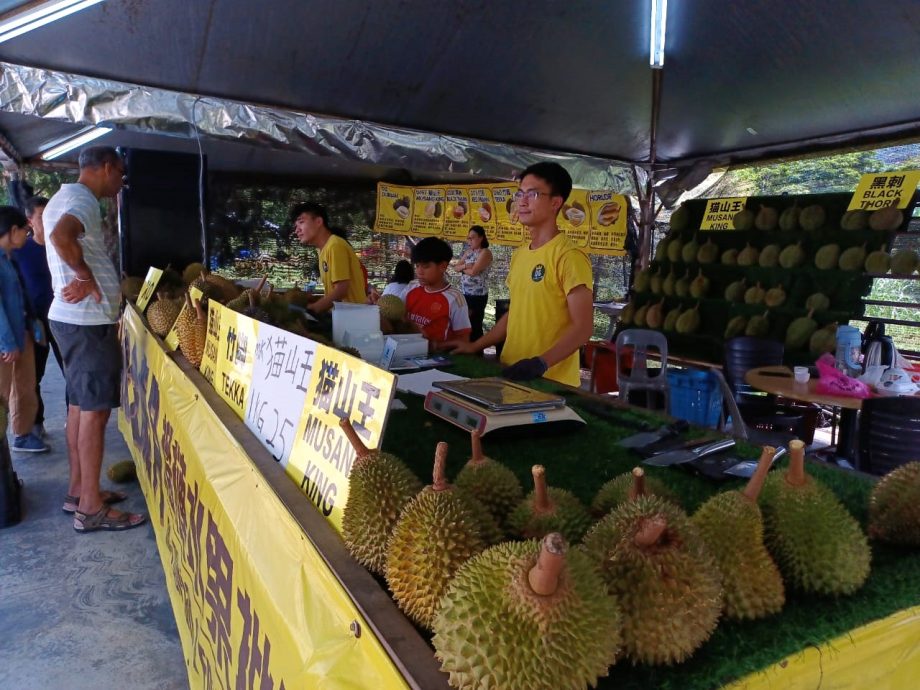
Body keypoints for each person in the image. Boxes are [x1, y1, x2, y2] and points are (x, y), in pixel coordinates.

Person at [45, 146, 145, 531]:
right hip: (86, 323)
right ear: (105, 168)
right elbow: (58, 236)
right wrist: (85, 277)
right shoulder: (81, 199)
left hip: (75, 322)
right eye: (120, 173)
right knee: (95, 412)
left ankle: (79, 491)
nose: (121, 182)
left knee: (79, 408)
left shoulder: (65, 196)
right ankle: (90, 508)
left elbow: (50, 236)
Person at [450, 162, 594, 387]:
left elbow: (583, 328)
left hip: (550, 383)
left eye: (533, 194)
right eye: (520, 194)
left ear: (556, 203)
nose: (522, 201)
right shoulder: (519, 255)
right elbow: (514, 314)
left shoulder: (569, 256)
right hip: (511, 372)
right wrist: (474, 346)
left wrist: (540, 363)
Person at [14, 196, 64, 440]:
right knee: (34, 375)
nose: (49, 220)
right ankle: (36, 424)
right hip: (37, 322)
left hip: (65, 319)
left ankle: (73, 418)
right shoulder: (20, 252)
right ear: (29, 221)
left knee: (72, 372)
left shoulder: (64, 245)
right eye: (42, 216)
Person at [0, 206, 48, 453]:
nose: (27, 236)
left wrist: (33, 327)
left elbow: (21, 297)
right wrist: (7, 342)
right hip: (6, 342)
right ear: (13, 230)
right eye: (25, 231)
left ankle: (23, 433)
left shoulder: (10, 258)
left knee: (25, 386)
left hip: (23, 333)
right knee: (3, 392)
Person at [291, 203, 366, 313]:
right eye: (296, 226)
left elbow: (341, 290)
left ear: (318, 222)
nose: (297, 230)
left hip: (354, 321)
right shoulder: (323, 249)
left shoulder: (335, 245)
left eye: (301, 222)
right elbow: (334, 291)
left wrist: (313, 308)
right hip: (343, 318)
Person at [405, 237, 471, 350]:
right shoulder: (412, 287)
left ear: (443, 266)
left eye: (425, 266)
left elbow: (464, 340)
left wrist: (435, 346)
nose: (419, 272)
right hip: (407, 351)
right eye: (417, 266)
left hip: (438, 359)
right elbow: (396, 314)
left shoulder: (455, 298)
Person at [452, 225, 493, 341]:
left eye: (472, 238)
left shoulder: (485, 252)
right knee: (465, 323)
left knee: (475, 324)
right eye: (468, 238)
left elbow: (474, 272)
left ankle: (477, 352)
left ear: (481, 238)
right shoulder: (468, 252)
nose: (469, 241)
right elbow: (455, 268)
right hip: (465, 294)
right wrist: (466, 266)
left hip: (478, 296)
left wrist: (463, 269)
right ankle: (467, 348)